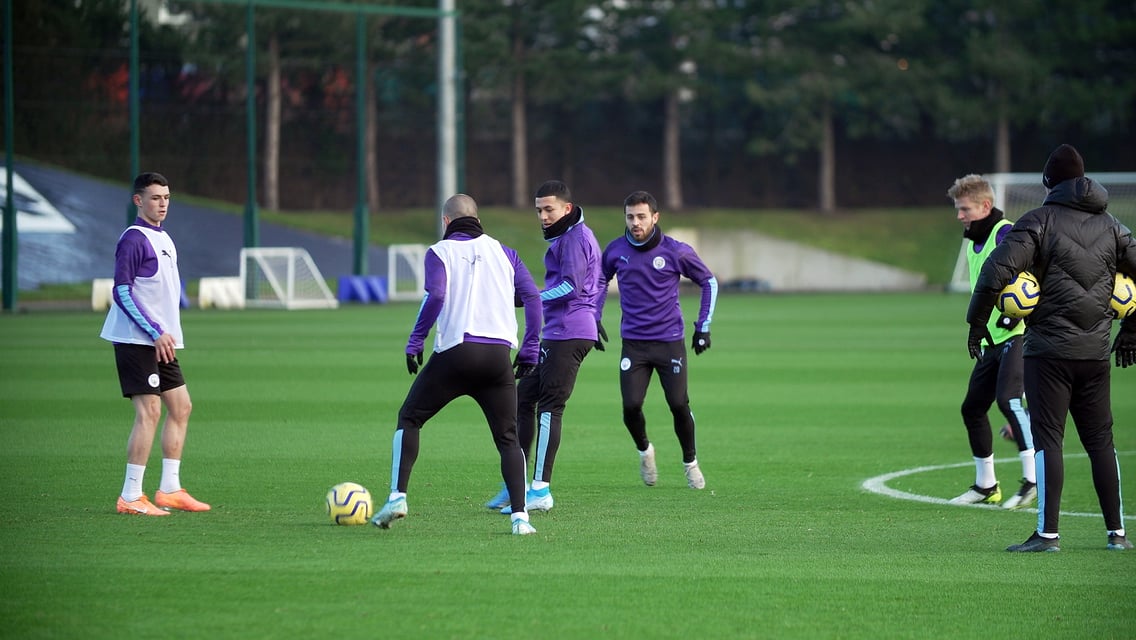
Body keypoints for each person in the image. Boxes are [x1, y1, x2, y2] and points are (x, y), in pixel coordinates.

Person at [966, 144, 1136, 552]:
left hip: (1048, 352)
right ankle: (1117, 534)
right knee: (1100, 441)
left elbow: (996, 269)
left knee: (1049, 440)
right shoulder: (1112, 225)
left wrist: (976, 323)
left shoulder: (1039, 220)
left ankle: (1047, 535)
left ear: (1047, 183)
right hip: (1095, 353)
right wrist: (1130, 333)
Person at [373, 193, 543, 535]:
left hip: (456, 353)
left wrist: (415, 340)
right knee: (508, 439)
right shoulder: (505, 252)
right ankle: (521, 518)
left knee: (410, 417)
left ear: (446, 222)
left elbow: (435, 295)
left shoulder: (440, 252)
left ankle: (397, 498)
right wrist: (529, 351)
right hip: (498, 358)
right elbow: (533, 298)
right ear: (478, 220)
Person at [486, 180, 603, 514]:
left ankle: (540, 490)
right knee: (523, 400)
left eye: (549, 209)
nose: (543, 216)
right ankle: (517, 485)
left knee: (550, 407)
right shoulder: (567, 237)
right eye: (539, 210)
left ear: (567, 208)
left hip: (569, 333)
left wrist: (530, 296)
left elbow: (571, 286)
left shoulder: (576, 238)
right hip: (558, 331)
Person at [101, 172, 210, 516]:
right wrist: (153, 331)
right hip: (137, 340)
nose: (162, 204)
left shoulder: (164, 238)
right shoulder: (133, 239)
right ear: (138, 201)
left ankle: (170, 489)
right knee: (149, 411)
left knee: (181, 408)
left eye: (166, 197)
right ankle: (130, 496)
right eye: (154, 198)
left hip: (160, 341)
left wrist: (163, 333)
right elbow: (121, 291)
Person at [597, 190, 718, 489]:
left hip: (669, 343)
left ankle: (690, 462)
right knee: (630, 406)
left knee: (678, 403)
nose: (635, 223)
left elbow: (709, 281)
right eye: (630, 217)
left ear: (655, 217)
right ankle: (645, 451)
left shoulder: (675, 251)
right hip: (634, 345)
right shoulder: (615, 250)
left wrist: (703, 326)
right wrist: (593, 317)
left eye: (641, 216)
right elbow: (599, 280)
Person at [946, 174, 1036, 510]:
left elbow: (1034, 276)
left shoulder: (1007, 233)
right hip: (993, 339)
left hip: (1018, 334)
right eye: (958, 209)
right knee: (972, 408)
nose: (960, 215)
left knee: (1009, 401)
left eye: (964, 208)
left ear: (986, 206)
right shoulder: (973, 241)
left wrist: (1018, 313)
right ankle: (987, 486)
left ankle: (1032, 479)